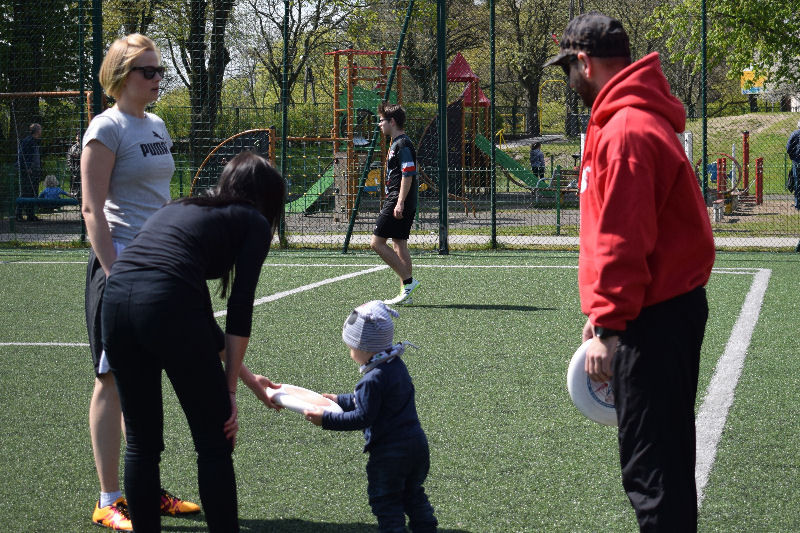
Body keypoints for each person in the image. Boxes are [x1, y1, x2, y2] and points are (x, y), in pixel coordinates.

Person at [546, 12, 715, 532]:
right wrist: (601, 317)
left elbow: (623, 235)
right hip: (657, 311)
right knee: (661, 460)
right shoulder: (632, 119)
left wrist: (611, 324)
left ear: (584, 63)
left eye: (567, 71)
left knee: (652, 471)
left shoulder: (625, 128)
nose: (568, 83)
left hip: (651, 317)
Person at [101, 151, 286, 532]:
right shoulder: (251, 221)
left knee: (141, 444)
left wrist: (249, 382)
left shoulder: (184, 207)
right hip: (164, 304)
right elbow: (239, 308)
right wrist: (228, 391)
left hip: (115, 301)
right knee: (215, 443)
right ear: (268, 199)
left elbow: (200, 316)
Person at [81, 33, 199, 531]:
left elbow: (159, 197)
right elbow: (92, 209)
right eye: (148, 72)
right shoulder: (105, 129)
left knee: (147, 378)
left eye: (160, 72)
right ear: (122, 74)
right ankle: (109, 499)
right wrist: (117, 273)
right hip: (120, 269)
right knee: (111, 377)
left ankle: (143, 488)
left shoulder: (156, 124)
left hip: (159, 265)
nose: (157, 80)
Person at [304, 300, 437, 533]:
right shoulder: (395, 365)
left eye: (351, 346)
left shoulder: (371, 379)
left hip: (390, 454)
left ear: (364, 347)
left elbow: (362, 417)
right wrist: (338, 400)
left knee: (386, 502)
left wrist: (325, 419)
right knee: (412, 494)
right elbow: (371, 402)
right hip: (416, 446)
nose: (349, 351)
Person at [371, 102, 420, 305]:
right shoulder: (398, 143)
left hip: (399, 199)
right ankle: (405, 291)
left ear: (392, 121)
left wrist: (399, 202)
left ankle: (408, 281)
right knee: (399, 243)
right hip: (400, 198)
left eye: (381, 121)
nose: (379, 125)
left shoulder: (402, 144)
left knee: (376, 242)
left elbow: (408, 174)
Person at [16, 122, 43, 221]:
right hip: (29, 172)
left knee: (33, 192)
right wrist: (27, 167)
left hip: (35, 171)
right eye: (40, 129)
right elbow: (23, 156)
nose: (41, 131)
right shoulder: (28, 141)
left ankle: (30, 214)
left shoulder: (35, 141)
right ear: (36, 131)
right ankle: (18, 214)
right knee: (26, 192)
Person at [785, 120, 800, 209]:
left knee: (797, 182)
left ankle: (798, 204)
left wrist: (792, 156)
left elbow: (788, 148)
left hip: (797, 161)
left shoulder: (794, 134)